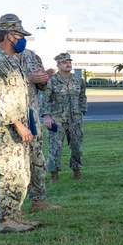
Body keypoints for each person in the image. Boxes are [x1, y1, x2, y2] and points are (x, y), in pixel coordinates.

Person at [0, 14, 40, 233]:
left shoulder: (10, 60)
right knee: (8, 174)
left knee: (20, 174)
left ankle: (14, 215)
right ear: (8, 36)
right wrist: (18, 124)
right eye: (19, 35)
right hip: (7, 129)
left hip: (17, 127)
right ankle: (5, 220)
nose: (22, 39)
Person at [19, 47, 60, 210]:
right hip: (11, 117)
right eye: (15, 34)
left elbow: (41, 86)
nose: (19, 38)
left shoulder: (32, 56)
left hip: (31, 115)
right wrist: (28, 78)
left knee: (37, 159)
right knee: (14, 165)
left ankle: (39, 201)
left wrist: (43, 80)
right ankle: (13, 208)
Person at [41, 52, 88, 182]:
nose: (68, 64)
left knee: (77, 147)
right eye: (65, 62)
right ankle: (54, 175)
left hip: (75, 120)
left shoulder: (78, 80)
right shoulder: (51, 81)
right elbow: (44, 98)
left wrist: (82, 110)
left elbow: (82, 97)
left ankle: (76, 171)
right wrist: (46, 116)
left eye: (69, 62)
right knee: (55, 148)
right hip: (56, 120)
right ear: (58, 64)